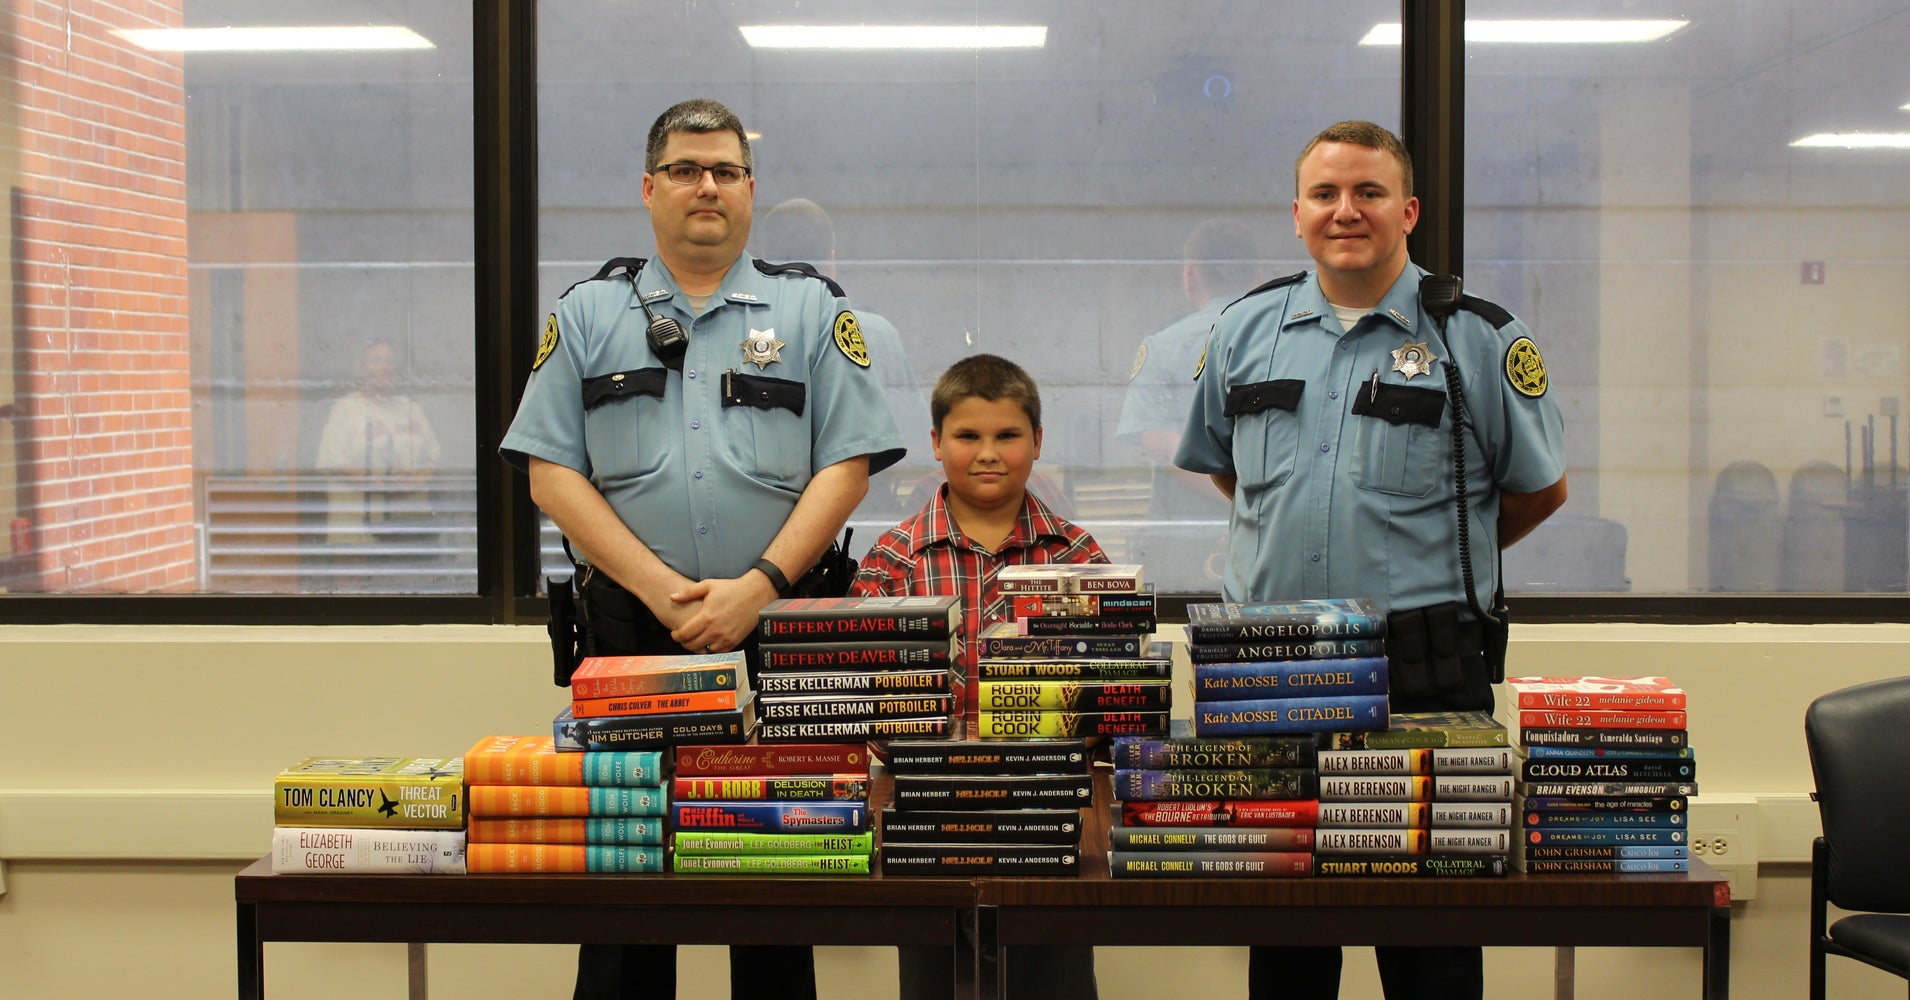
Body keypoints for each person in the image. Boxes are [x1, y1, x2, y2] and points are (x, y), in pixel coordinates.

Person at [500, 97, 904, 1000]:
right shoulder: (588, 314)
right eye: (685, 169)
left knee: (771, 890)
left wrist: (756, 589)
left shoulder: (810, 313)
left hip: (775, 639)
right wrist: (661, 590)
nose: (706, 186)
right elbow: (549, 475)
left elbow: (847, 465)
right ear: (650, 189)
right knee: (624, 901)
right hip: (626, 638)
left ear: (751, 190)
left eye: (725, 170)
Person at [1174, 120, 1568, 1000]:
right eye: (1325, 194)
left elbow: (1538, 491)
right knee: (1286, 947)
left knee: (1428, 943)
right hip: (1269, 668)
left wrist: (1434, 559)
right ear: (1297, 214)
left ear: (1408, 210)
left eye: (1368, 192)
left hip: (1420, 671)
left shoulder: (1480, 340)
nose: (1345, 211)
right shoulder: (1245, 330)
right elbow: (1226, 469)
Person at [849, 352, 1104, 1000]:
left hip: (1049, 811)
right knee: (936, 979)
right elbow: (858, 696)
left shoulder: (1078, 557)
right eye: (967, 436)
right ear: (935, 443)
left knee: (1056, 978)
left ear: (1037, 442)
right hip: (924, 813)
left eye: (1008, 435)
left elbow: (1109, 688)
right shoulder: (893, 561)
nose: (988, 453)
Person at [753, 196, 931, 518]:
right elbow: (914, 440)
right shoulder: (877, 334)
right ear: (831, 259)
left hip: (772, 515)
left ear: (764, 259)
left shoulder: (747, 338)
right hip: (865, 512)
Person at [1116, 218, 1263, 585]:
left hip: (1188, 547)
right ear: (1258, 275)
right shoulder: (1288, 341)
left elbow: (1166, 449)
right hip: (1273, 541)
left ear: (1189, 275)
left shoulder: (1163, 347)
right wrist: (1265, 507)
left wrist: (1240, 502)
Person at [315, 337, 441, 547]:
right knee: (358, 577)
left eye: (389, 361)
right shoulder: (345, 409)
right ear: (361, 369)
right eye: (375, 361)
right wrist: (378, 484)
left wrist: (416, 481)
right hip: (356, 522)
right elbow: (334, 460)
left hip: (406, 521)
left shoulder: (410, 408)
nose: (384, 367)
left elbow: (433, 455)